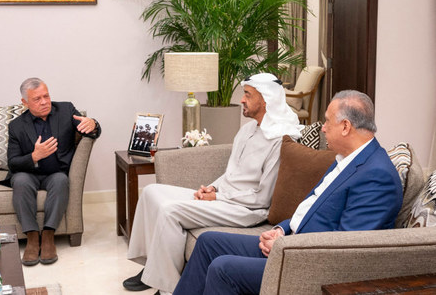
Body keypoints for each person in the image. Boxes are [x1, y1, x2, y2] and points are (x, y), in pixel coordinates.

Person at [173, 90, 403, 295]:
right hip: (291, 244)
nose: (322, 127)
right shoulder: (346, 158)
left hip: (306, 264)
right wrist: (280, 229)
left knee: (222, 268)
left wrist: (286, 249)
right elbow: (313, 209)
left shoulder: (377, 176)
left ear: (345, 127)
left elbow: (345, 248)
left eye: (327, 121)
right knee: (208, 241)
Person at [123, 73, 302, 295]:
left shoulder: (281, 139)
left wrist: (217, 197)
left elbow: (262, 198)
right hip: (224, 197)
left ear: (265, 100)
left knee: (170, 212)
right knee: (151, 191)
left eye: (247, 94)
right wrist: (214, 188)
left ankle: (167, 287)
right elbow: (231, 172)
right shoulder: (248, 129)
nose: (242, 100)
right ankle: (151, 266)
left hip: (246, 209)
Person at [0, 78, 101, 265]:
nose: (44, 102)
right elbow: (13, 163)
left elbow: (89, 130)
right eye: (37, 99)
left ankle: (48, 236)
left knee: (61, 181)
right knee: (20, 181)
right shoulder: (17, 126)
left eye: (46, 96)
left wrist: (94, 124)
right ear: (25, 102)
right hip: (29, 173)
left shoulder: (65, 110)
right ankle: (31, 237)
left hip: (56, 172)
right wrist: (35, 156)